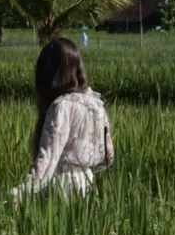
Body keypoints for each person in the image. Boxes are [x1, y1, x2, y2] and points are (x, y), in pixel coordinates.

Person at [12, 37, 114, 202]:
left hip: (62, 185)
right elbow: (108, 156)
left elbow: (48, 160)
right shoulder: (96, 104)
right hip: (87, 183)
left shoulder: (62, 106)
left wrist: (20, 193)